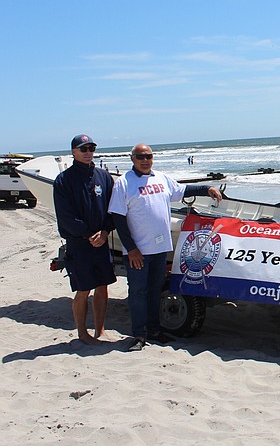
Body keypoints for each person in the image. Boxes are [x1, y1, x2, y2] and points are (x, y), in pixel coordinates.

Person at [109, 143, 223, 351]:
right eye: (140, 156)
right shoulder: (124, 183)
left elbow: (183, 190)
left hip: (160, 250)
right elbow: (118, 218)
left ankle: (154, 331)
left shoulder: (161, 178)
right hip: (138, 252)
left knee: (154, 292)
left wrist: (207, 189)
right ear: (132, 158)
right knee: (138, 293)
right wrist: (131, 249)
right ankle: (138, 335)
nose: (145, 160)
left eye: (149, 156)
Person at [53, 134, 116, 345]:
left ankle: (100, 329)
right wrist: (89, 234)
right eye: (84, 148)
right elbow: (66, 216)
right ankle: (82, 332)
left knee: (103, 287)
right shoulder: (63, 180)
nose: (88, 152)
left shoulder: (104, 177)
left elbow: (112, 209)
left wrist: (106, 231)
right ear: (73, 152)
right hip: (79, 244)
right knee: (83, 289)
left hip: (102, 240)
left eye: (91, 148)